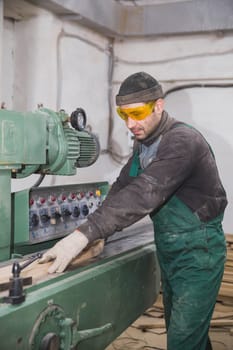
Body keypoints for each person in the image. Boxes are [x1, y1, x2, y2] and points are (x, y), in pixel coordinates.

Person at [39, 72, 227, 350]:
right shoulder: (146, 143)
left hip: (199, 251)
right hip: (171, 248)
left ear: (159, 106)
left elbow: (145, 192)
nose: (130, 124)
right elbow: (124, 186)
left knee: (183, 340)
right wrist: (95, 233)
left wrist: (83, 234)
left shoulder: (183, 141)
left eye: (137, 114)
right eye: (123, 115)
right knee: (184, 329)